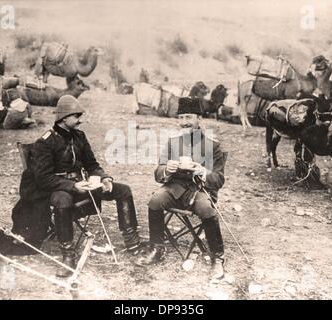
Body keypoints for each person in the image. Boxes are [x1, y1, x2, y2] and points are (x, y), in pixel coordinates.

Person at [29, 95, 141, 277]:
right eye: (77, 116)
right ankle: (68, 254)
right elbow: (43, 179)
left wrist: (104, 178)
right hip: (59, 189)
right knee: (62, 201)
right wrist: (73, 187)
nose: (80, 120)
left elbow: (91, 165)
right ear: (65, 118)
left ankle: (132, 242)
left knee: (123, 190)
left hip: (85, 185)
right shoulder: (45, 141)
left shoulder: (79, 136)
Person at [136, 99, 226, 279]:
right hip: (174, 188)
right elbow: (158, 172)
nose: (184, 121)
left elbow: (219, 179)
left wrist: (202, 171)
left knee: (207, 209)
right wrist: (166, 170)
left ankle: (217, 257)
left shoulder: (213, 146)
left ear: (199, 119)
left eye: (189, 117)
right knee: (155, 200)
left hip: (200, 191)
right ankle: (157, 248)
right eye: (181, 117)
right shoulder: (172, 143)